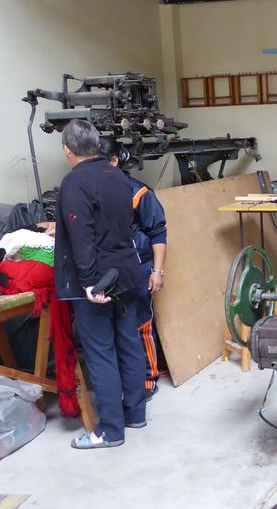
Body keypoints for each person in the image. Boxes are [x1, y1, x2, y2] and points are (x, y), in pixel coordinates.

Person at [54, 119, 146, 449]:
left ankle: (109, 430)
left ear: (67, 150)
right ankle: (135, 413)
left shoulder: (74, 183)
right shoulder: (118, 176)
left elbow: (82, 238)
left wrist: (90, 283)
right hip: (127, 272)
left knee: (100, 352)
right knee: (129, 342)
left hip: (98, 282)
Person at [100, 139, 167, 399]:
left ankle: (148, 378)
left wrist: (157, 271)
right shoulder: (92, 192)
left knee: (141, 323)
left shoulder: (139, 193)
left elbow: (158, 233)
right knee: (113, 329)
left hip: (139, 269)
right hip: (107, 272)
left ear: (114, 161)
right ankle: (122, 378)